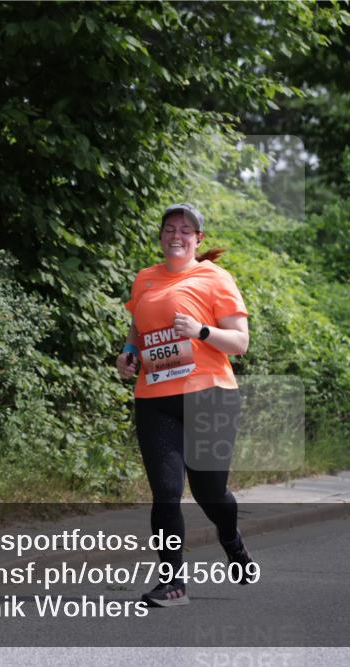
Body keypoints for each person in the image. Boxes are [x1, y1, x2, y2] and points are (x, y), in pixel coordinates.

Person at [117, 203, 255, 608]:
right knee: (166, 493)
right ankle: (173, 582)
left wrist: (201, 330)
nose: (176, 235)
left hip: (209, 396)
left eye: (186, 230)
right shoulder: (145, 279)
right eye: (169, 229)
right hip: (155, 399)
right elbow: (138, 327)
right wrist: (127, 353)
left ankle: (230, 539)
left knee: (211, 493)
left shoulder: (215, 278)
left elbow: (240, 343)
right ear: (161, 236)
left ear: (198, 239)